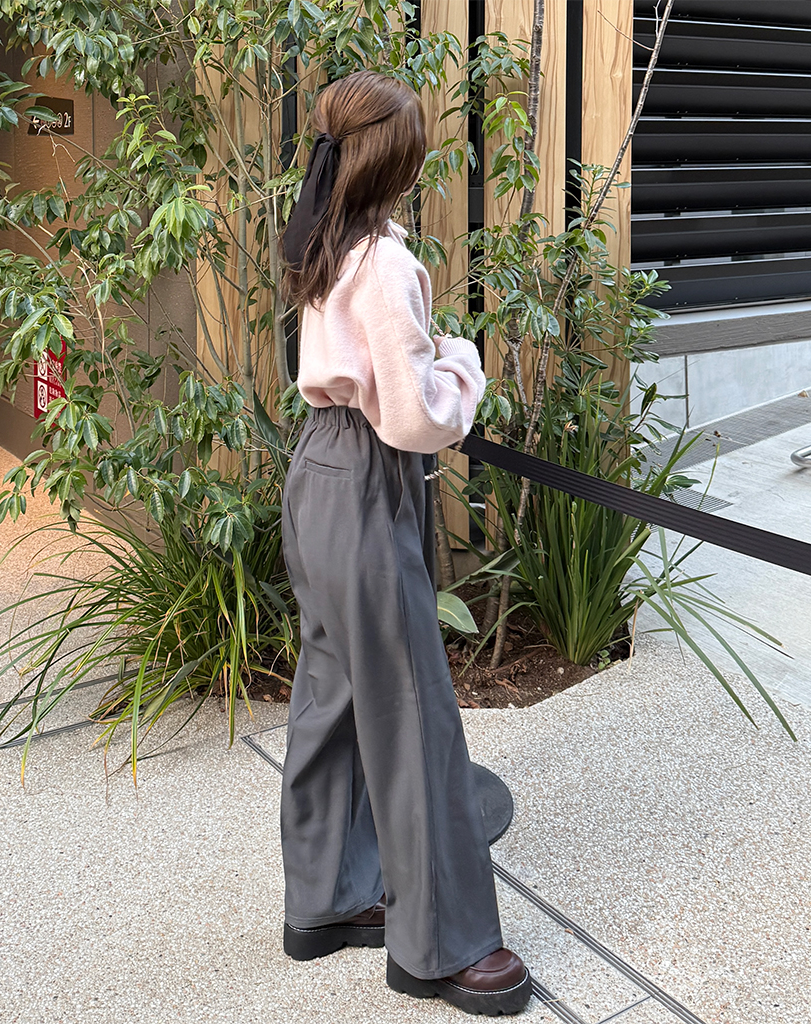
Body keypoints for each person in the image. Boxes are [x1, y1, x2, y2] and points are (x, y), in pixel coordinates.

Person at [277, 69, 532, 1018]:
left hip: (316, 472)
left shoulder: (318, 239)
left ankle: (327, 898)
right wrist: (463, 364)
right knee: (415, 711)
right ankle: (444, 947)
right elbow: (417, 414)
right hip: (367, 481)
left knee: (333, 692)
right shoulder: (383, 261)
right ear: (401, 163)